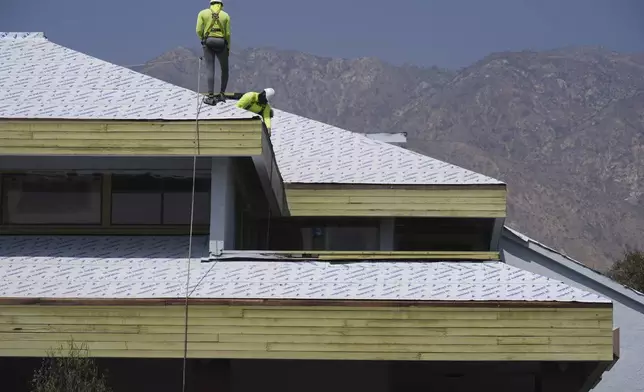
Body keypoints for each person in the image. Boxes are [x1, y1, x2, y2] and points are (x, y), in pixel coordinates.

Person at [196, 0, 231, 105]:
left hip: (208, 41)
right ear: (221, 4)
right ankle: (222, 94)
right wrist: (228, 47)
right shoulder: (225, 16)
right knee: (224, 69)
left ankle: (210, 96)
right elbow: (228, 34)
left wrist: (203, 39)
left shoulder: (203, 13)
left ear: (211, 3)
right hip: (221, 42)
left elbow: (198, 29)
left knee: (210, 69)